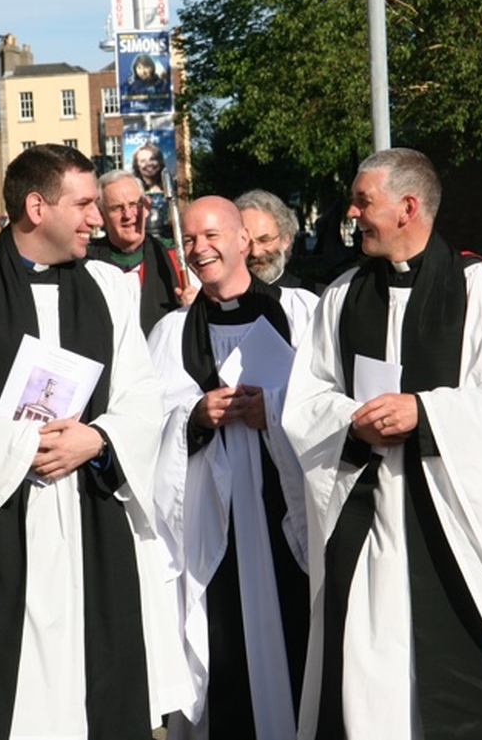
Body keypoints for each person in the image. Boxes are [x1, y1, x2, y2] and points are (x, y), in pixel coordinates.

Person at [0, 144, 193, 740]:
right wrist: (24, 445)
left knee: (96, 695)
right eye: (84, 203)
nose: (97, 218)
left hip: (91, 515)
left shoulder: (110, 287)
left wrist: (96, 437)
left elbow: (144, 396)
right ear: (37, 207)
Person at [283, 147, 482, 740]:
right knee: (370, 683)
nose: (350, 213)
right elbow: (305, 402)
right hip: (367, 519)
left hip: (453, 525)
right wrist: (354, 421)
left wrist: (425, 412)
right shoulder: (342, 295)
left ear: (407, 207)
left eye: (362, 200)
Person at [149, 196, 319, 740]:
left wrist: (271, 411)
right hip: (210, 518)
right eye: (191, 239)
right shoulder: (171, 333)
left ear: (244, 239)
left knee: (300, 638)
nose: (200, 249)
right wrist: (194, 417)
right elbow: (145, 426)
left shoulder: (301, 313)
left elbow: (329, 405)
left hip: (283, 505)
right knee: (223, 645)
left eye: (213, 235)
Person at [88, 169, 196, 337]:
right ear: (102, 215)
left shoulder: (174, 258)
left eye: (134, 205)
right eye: (117, 208)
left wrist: (197, 307)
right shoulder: (86, 263)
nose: (129, 215)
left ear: (146, 207)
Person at [235, 188, 324, 295]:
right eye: (245, 242)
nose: (255, 252)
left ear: (286, 240)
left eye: (264, 240)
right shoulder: (219, 299)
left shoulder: (315, 297)